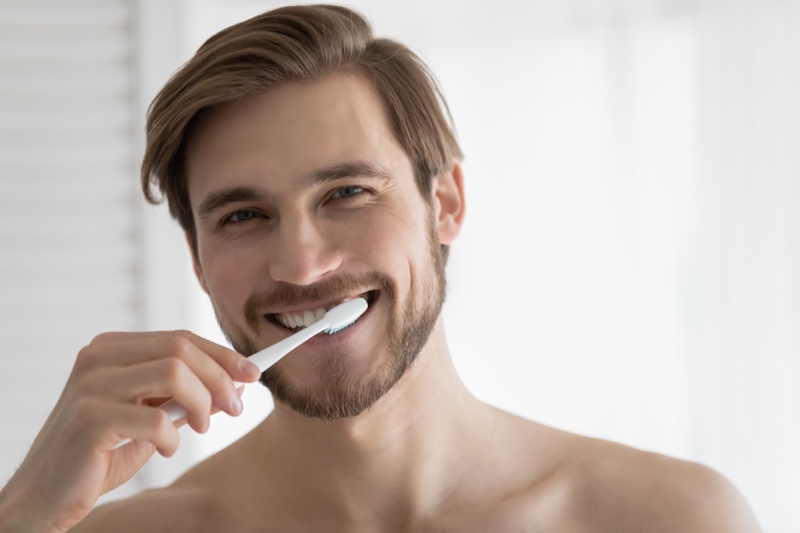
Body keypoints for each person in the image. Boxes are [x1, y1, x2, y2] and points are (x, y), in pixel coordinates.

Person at [0, 5, 761, 532]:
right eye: (243, 215)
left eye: (348, 193)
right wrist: (23, 511)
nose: (300, 265)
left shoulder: (672, 517)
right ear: (197, 258)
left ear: (447, 203)